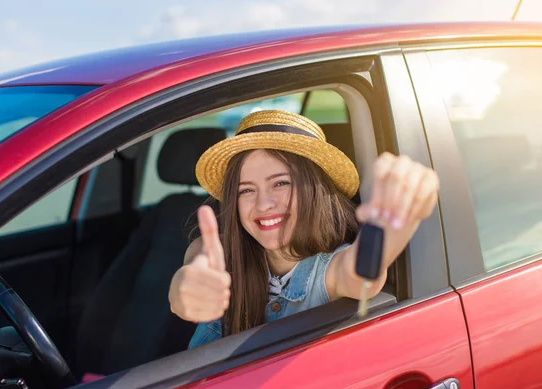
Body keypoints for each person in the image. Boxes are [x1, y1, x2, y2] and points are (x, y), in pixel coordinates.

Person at [168, 110, 439, 348]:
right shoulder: (217, 252)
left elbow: (361, 273)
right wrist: (187, 290)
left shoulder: (328, 271)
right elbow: (194, 270)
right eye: (246, 190)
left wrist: (394, 224)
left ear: (314, 189)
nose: (263, 204)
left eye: (281, 183)